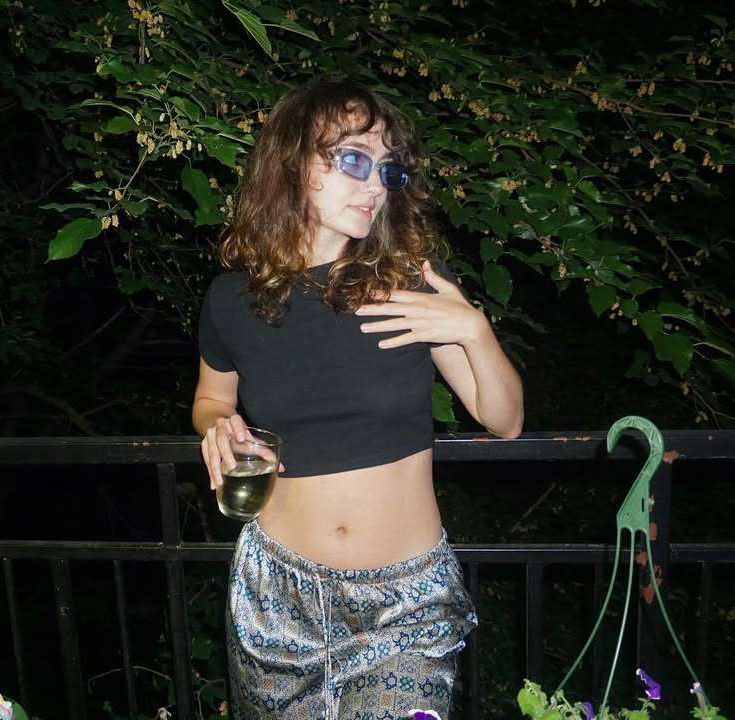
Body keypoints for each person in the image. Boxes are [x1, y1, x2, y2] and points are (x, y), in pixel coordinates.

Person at [192, 78, 524, 720]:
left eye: (388, 170)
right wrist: (219, 425)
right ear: (293, 163)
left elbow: (504, 419)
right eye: (353, 160)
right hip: (275, 592)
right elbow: (211, 397)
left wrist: (474, 330)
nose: (375, 185)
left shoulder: (410, 284)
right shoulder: (232, 299)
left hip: (406, 604)